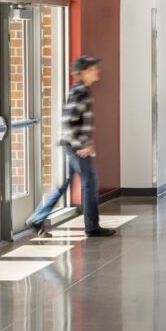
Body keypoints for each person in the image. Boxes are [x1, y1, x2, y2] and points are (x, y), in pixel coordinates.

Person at [26, 55, 116, 239]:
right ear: (82, 73)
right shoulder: (80, 92)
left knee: (64, 184)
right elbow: (68, 123)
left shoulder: (81, 90)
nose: (97, 71)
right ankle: (92, 227)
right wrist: (83, 145)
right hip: (76, 147)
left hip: (72, 145)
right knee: (90, 183)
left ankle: (37, 218)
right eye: (92, 69)